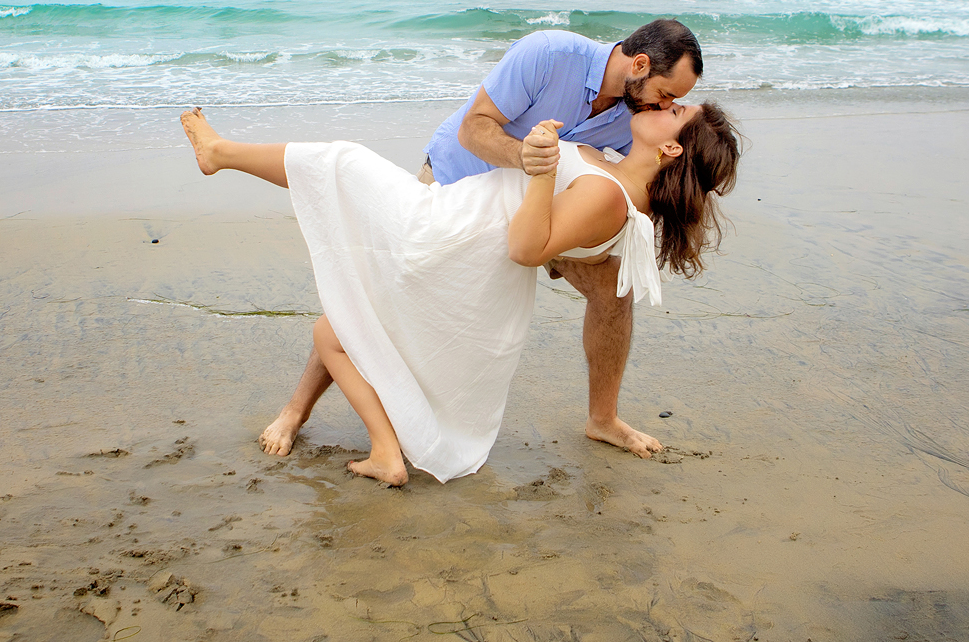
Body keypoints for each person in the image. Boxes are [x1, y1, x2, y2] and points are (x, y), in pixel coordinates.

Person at [180, 98, 737, 484]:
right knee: (339, 327)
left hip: (451, 232)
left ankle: (219, 154)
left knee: (341, 168)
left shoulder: (611, 197)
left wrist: (542, 168)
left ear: (672, 151)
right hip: (464, 239)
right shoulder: (621, 182)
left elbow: (527, 247)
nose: (667, 107)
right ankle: (383, 450)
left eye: (677, 113)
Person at [256, 19, 705, 461]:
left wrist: (594, 235)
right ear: (640, 65)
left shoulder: (637, 117)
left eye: (674, 104)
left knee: (613, 290)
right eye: (666, 95)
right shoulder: (549, 55)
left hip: (546, 211)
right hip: (461, 185)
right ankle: (295, 411)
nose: (662, 106)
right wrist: (526, 157)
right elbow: (473, 128)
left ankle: (602, 420)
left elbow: (633, 181)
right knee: (376, 289)